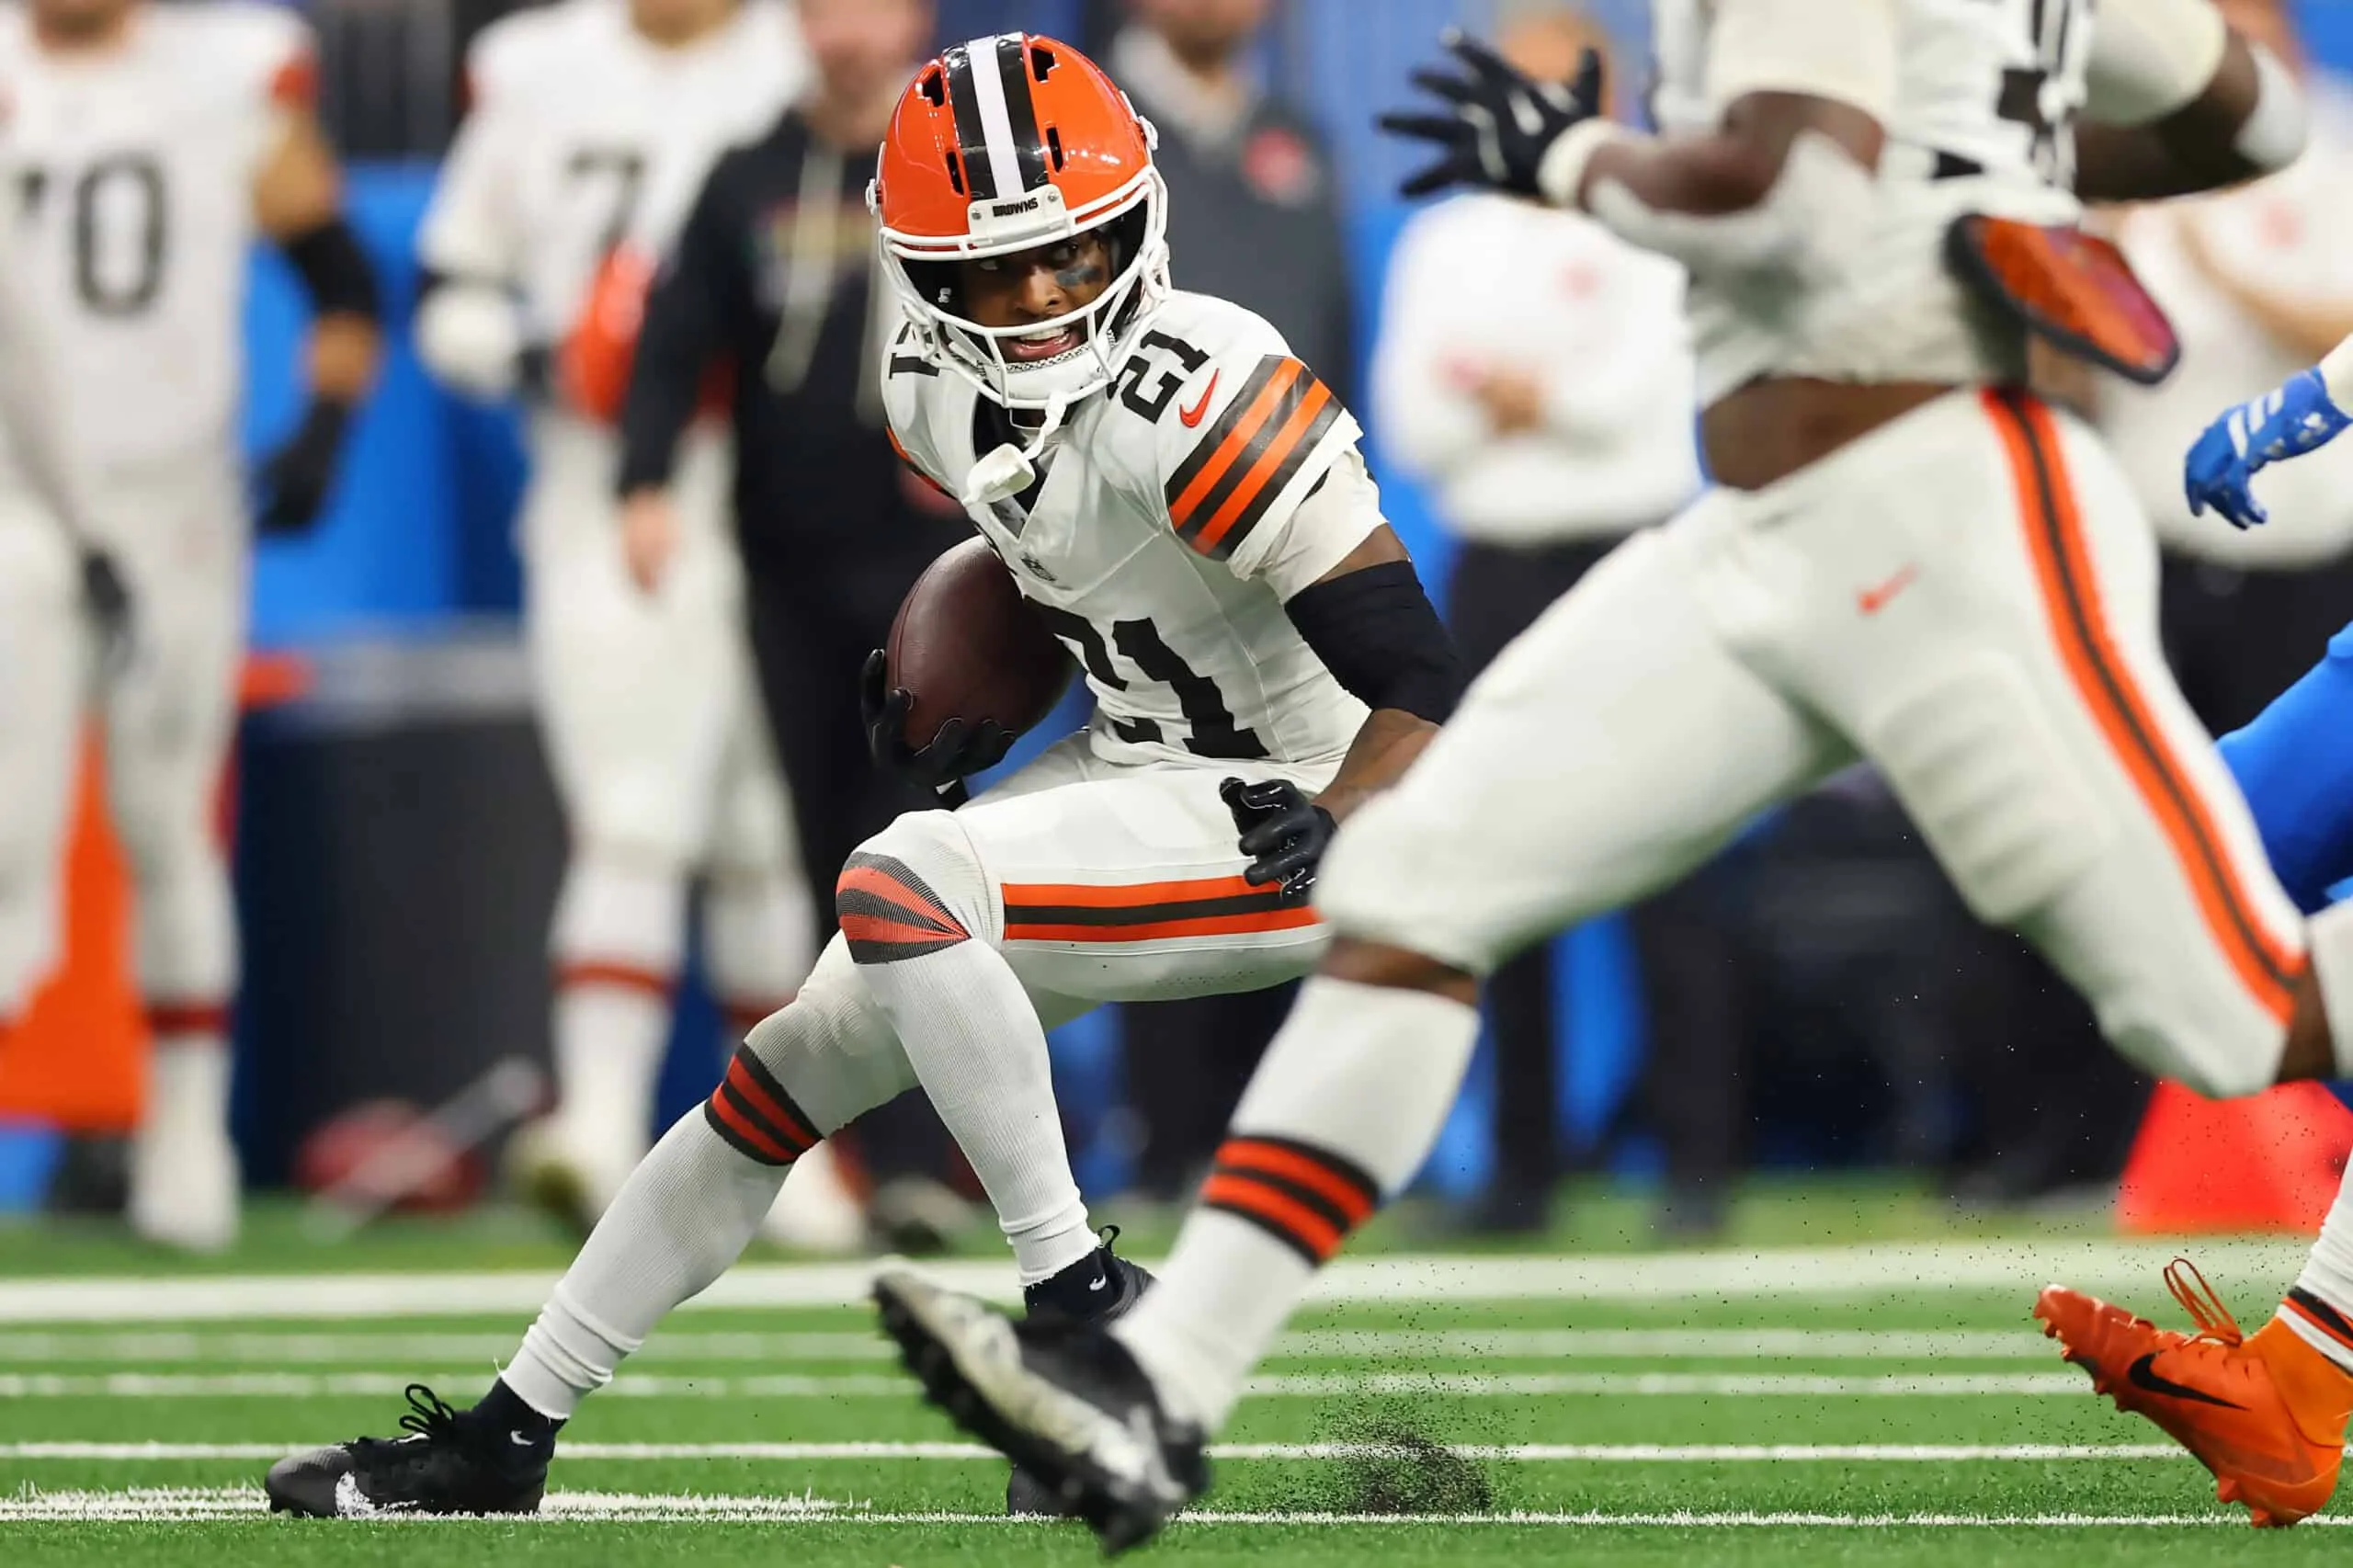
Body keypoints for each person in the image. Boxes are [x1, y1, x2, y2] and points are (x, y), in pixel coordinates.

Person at [865, 0, 2353, 1549]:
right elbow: (2249, 120)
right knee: (1418, 877)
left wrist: (1573, 157)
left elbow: (1791, 194)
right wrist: (2002, 160)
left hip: (1945, 513)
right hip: (1769, 521)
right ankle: (1155, 1390)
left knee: (2218, 1009)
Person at [258, 29, 1460, 1520]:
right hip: (1150, 756)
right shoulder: (924, 388)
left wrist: (1348, 817)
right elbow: (1066, 548)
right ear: (919, 277)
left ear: (1135, 223)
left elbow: (1419, 673)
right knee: (791, 1060)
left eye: (1069, 259)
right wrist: (993, 619)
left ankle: (1079, 1300)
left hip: (1308, 798)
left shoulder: (1203, 390)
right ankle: (506, 1434)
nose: (1035, 302)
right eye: (988, 276)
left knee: (899, 879)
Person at [411, 0, 831, 1240]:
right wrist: (547, 357)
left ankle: (786, 1144)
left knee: (765, 827)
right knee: (634, 811)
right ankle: (597, 1118)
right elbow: (450, 289)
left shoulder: (802, 56)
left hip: (778, 491)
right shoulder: (534, 67)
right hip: (603, 490)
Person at [0, 0, 383, 1253]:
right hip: (15, 500)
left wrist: (324, 427)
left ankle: (184, 1137)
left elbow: (337, 269)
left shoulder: (226, 73)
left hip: (174, 507)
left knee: (166, 820)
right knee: (8, 834)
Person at [610, 0, 974, 1247]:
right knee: (832, 852)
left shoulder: (974, 156)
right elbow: (672, 336)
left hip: (948, 568)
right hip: (787, 560)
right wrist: (643, 479)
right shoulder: (750, 173)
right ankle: (871, 1158)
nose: (845, 31)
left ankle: (941, 1148)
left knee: (933, 840)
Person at [1373, 1, 1722, 1233]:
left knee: (1667, 853)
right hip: (1498, 567)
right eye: (1519, 89)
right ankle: (1520, 1170)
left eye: (1565, 87)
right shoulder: (1443, 244)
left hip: (1634, 556)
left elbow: (1647, 401)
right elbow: (1415, 419)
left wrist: (1527, 392)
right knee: (1496, 859)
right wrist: (1551, 397)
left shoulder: (1655, 227)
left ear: (1612, 99)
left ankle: (1696, 1162)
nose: (1540, 113)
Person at [1103, 0, 1362, 1199]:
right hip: (1138, 555)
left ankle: (1271, 1147)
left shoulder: (1294, 139)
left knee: (1291, 836)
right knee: (1152, 837)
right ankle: (1167, 1140)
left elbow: (1334, 350)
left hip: (1282, 553)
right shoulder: (1091, 131)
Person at [2099, 0, 2353, 737]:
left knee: (2279, 810)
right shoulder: (2122, 157)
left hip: (2306, 563)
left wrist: (2224, 277)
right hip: (2155, 552)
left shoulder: (2336, 151)